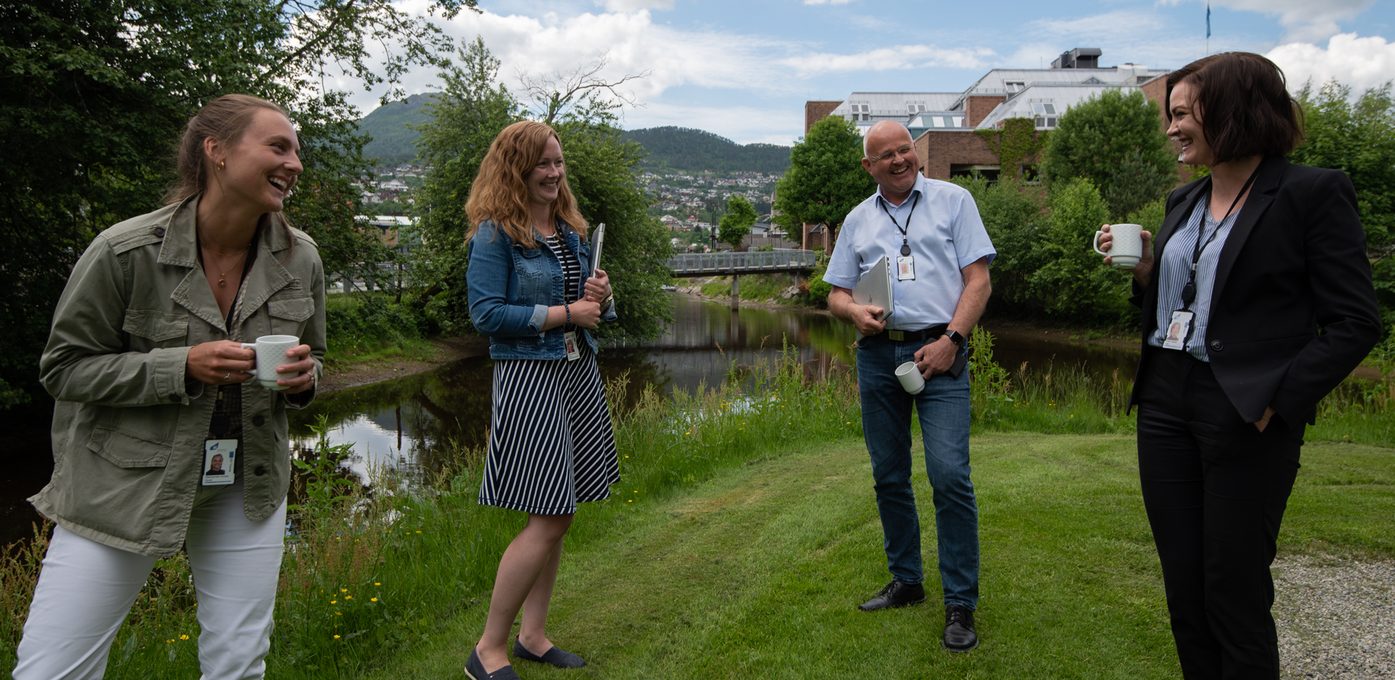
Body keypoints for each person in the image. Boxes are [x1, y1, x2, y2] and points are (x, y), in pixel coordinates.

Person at [14, 94, 326, 679]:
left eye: (297, 150)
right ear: (218, 153)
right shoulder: (124, 252)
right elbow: (64, 368)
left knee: (239, 665)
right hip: (120, 484)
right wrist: (179, 367)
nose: (295, 163)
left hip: (247, 484)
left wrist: (303, 379)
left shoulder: (301, 257)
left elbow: (316, 358)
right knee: (53, 669)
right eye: (278, 146)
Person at [1098, 52, 1380, 679]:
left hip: (1246, 407)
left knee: (1234, 593)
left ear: (1231, 109)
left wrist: (1276, 401)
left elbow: (1356, 322)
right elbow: (1182, 300)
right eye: (1169, 116)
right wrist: (1146, 270)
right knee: (1185, 591)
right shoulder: (1183, 199)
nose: (1170, 128)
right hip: (1166, 400)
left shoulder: (1311, 192)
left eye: (1181, 114)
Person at [823, 120, 995, 652]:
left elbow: (979, 279)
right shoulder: (856, 219)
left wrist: (953, 340)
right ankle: (908, 581)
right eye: (887, 155)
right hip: (879, 356)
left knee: (949, 476)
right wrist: (854, 312)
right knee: (889, 475)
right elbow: (835, 294)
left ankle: (960, 602)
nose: (899, 160)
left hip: (940, 352)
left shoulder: (954, 200)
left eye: (906, 150)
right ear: (868, 166)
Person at [463, 120, 619, 680]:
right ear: (516, 169)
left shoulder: (570, 231)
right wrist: (565, 314)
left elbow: (590, 311)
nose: (554, 173)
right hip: (529, 380)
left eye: (558, 163)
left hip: (576, 376)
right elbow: (486, 316)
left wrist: (599, 296)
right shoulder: (494, 234)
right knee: (550, 515)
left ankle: (532, 636)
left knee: (561, 512)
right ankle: (487, 649)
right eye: (543, 164)